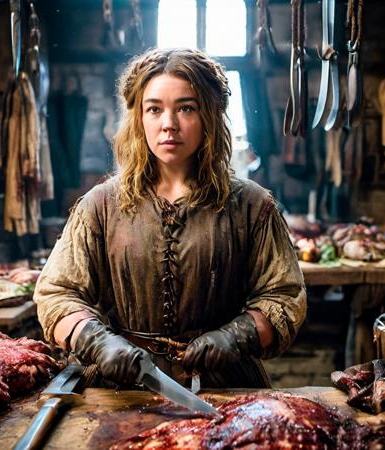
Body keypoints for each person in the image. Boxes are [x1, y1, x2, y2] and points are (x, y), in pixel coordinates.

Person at [34, 48, 307, 389]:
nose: (169, 124)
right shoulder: (100, 205)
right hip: (121, 386)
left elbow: (284, 297)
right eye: (154, 109)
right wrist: (97, 342)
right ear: (139, 118)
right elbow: (57, 293)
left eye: (186, 108)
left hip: (224, 386)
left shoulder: (252, 205)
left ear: (208, 115)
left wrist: (235, 337)